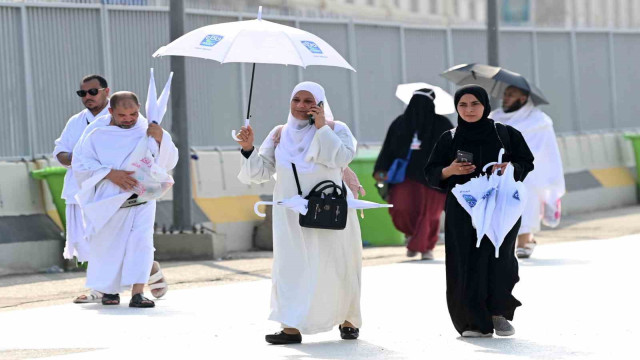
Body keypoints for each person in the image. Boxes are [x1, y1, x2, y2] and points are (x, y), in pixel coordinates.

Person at [235, 81, 362, 344]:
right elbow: (258, 173)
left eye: (309, 101)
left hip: (330, 210)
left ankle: (348, 319)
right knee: (290, 267)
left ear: (321, 105)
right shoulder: (280, 133)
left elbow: (339, 159)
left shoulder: (338, 129)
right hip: (291, 215)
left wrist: (321, 127)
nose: (302, 106)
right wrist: (248, 148)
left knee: (338, 265)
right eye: (297, 101)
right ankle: (290, 327)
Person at [424, 85, 534, 337]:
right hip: (463, 209)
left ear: (485, 105)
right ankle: (472, 322)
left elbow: (526, 162)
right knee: (465, 261)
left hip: (500, 206)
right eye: (463, 105)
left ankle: (498, 312)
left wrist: (509, 167)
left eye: (475, 104)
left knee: (501, 259)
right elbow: (431, 172)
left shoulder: (505, 133)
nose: (469, 110)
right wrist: (450, 170)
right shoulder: (449, 138)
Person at [72, 91, 178, 307]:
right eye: (123, 115)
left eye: (133, 113)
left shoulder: (148, 128)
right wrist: (110, 174)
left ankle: (138, 292)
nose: (129, 119)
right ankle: (109, 291)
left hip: (142, 196)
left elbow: (167, 160)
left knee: (141, 241)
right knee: (107, 243)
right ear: (111, 111)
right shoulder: (95, 132)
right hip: (108, 197)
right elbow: (81, 163)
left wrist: (159, 138)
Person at [374, 88, 453, 260]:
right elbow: (388, 148)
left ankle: (426, 248)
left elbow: (451, 150)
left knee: (430, 214)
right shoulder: (400, 123)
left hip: (433, 178)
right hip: (405, 177)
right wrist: (381, 170)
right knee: (401, 209)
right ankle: (412, 236)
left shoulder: (442, 124)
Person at [53, 75, 110, 303]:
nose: (87, 97)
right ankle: (100, 287)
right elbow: (60, 152)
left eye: (92, 92)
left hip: (109, 189)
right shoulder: (76, 121)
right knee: (91, 241)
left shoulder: (121, 115)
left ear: (106, 91)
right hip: (79, 190)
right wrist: (77, 158)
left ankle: (104, 286)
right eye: (82, 93)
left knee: (111, 239)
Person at [490, 86, 565, 258]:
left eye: (511, 95)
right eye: (505, 94)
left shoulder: (539, 120)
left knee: (527, 202)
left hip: (527, 172)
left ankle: (524, 240)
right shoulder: (495, 117)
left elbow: (542, 150)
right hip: (499, 171)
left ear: (523, 99)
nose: (505, 98)